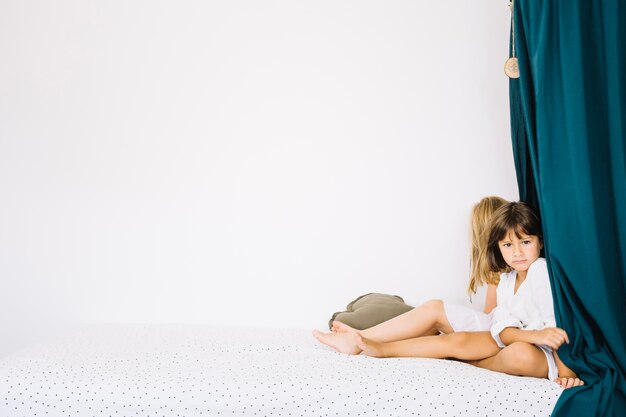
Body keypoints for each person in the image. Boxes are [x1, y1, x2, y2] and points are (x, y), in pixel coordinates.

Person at [353, 202, 583, 388]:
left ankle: (474, 363)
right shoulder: (505, 280)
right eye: (508, 245)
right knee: (458, 339)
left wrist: (565, 374)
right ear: (499, 248)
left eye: (525, 242)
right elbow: (503, 331)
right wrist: (532, 335)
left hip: (543, 356)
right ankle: (384, 349)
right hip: (523, 341)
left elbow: (555, 331)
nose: (518, 253)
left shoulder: (539, 270)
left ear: (540, 242)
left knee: (518, 354)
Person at [313, 196, 507, 359]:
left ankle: (358, 339)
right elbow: (490, 319)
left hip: (496, 334)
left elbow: (490, 324)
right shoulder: (500, 273)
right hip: (494, 332)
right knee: (431, 323)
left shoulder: (505, 272)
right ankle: (362, 340)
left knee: (435, 309)